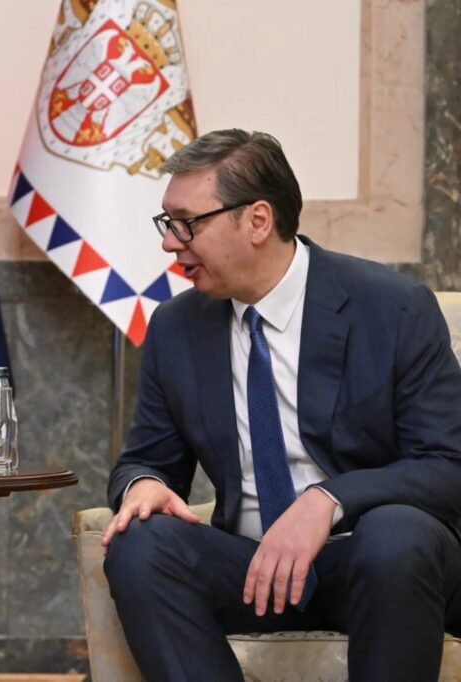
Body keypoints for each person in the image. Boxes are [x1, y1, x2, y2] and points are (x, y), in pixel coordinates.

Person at [102, 129, 461, 681]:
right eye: (167, 223)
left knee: (397, 536)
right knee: (139, 545)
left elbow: (448, 465)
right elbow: (146, 460)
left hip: (370, 563)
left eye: (187, 223)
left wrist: (328, 501)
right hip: (249, 569)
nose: (170, 243)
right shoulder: (176, 328)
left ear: (258, 221)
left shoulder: (392, 309)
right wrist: (142, 484)